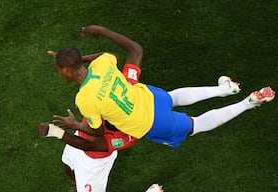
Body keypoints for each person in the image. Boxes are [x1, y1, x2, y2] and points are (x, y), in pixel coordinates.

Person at [50, 25, 275, 149]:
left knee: (196, 125)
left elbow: (98, 131)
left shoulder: (84, 99)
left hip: (148, 122)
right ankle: (223, 90)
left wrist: (74, 124)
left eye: (60, 69)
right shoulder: (102, 64)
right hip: (148, 96)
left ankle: (248, 102)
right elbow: (122, 52)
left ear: (67, 71)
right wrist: (102, 32)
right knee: (174, 97)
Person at [40, 27, 169, 192]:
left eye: (60, 70)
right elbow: (109, 56)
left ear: (66, 70)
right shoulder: (98, 78)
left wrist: (62, 130)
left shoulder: (87, 102)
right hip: (84, 142)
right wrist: (76, 61)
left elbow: (91, 140)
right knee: (67, 163)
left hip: (94, 161)